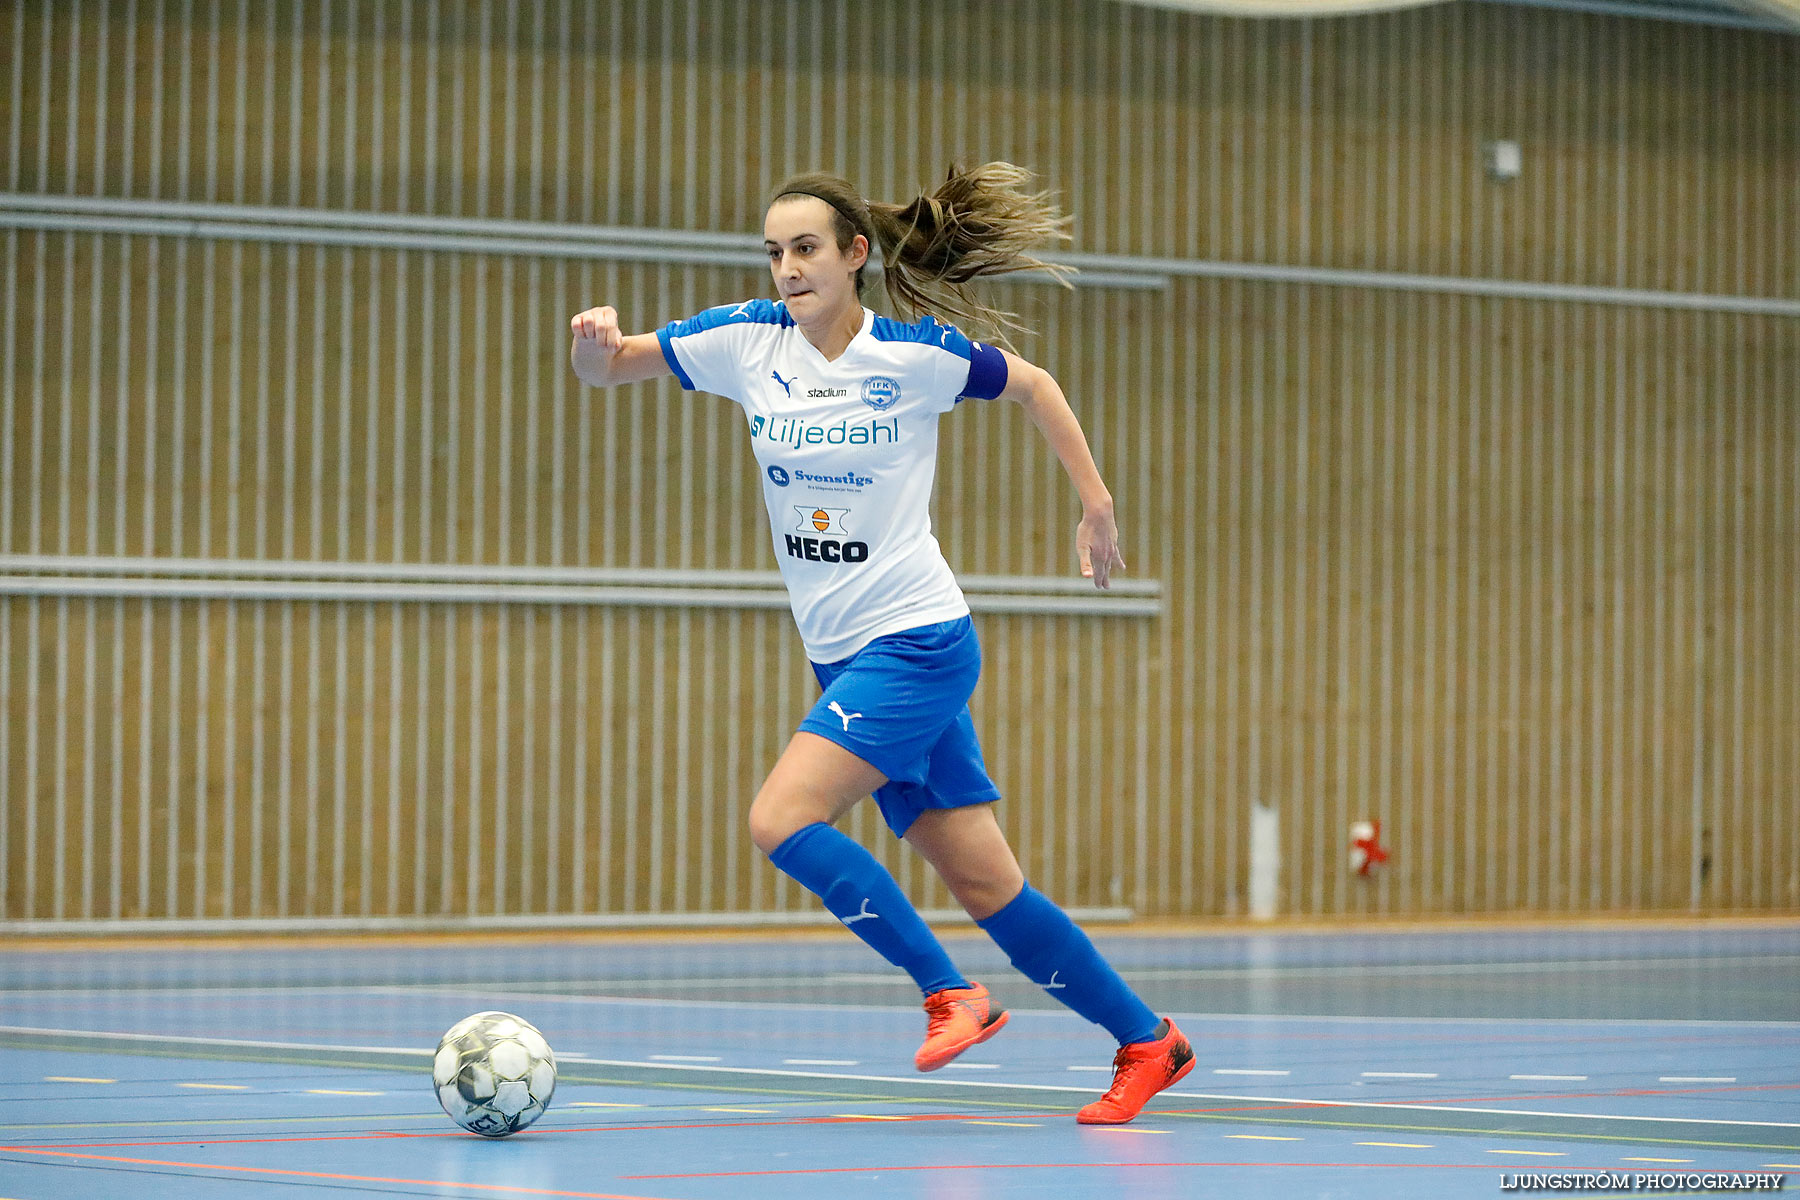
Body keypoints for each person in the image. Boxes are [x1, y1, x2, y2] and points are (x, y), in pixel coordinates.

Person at [568, 163, 1193, 1124]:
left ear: (855, 255)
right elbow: (609, 371)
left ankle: (953, 996)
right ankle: (1150, 1042)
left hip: (918, 642)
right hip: (841, 656)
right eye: (774, 251)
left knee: (779, 819)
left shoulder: (912, 358)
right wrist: (592, 347)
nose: (787, 268)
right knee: (992, 887)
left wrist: (1096, 505)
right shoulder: (743, 344)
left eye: (807, 248)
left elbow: (1035, 387)